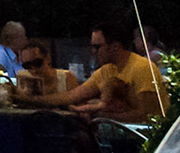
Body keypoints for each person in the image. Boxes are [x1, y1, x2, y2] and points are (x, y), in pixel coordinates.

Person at [18, 21, 162, 123]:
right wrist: (25, 99)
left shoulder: (142, 68)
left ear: (116, 47)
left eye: (97, 46)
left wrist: (101, 116)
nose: (93, 52)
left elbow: (147, 115)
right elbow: (70, 96)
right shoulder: (107, 70)